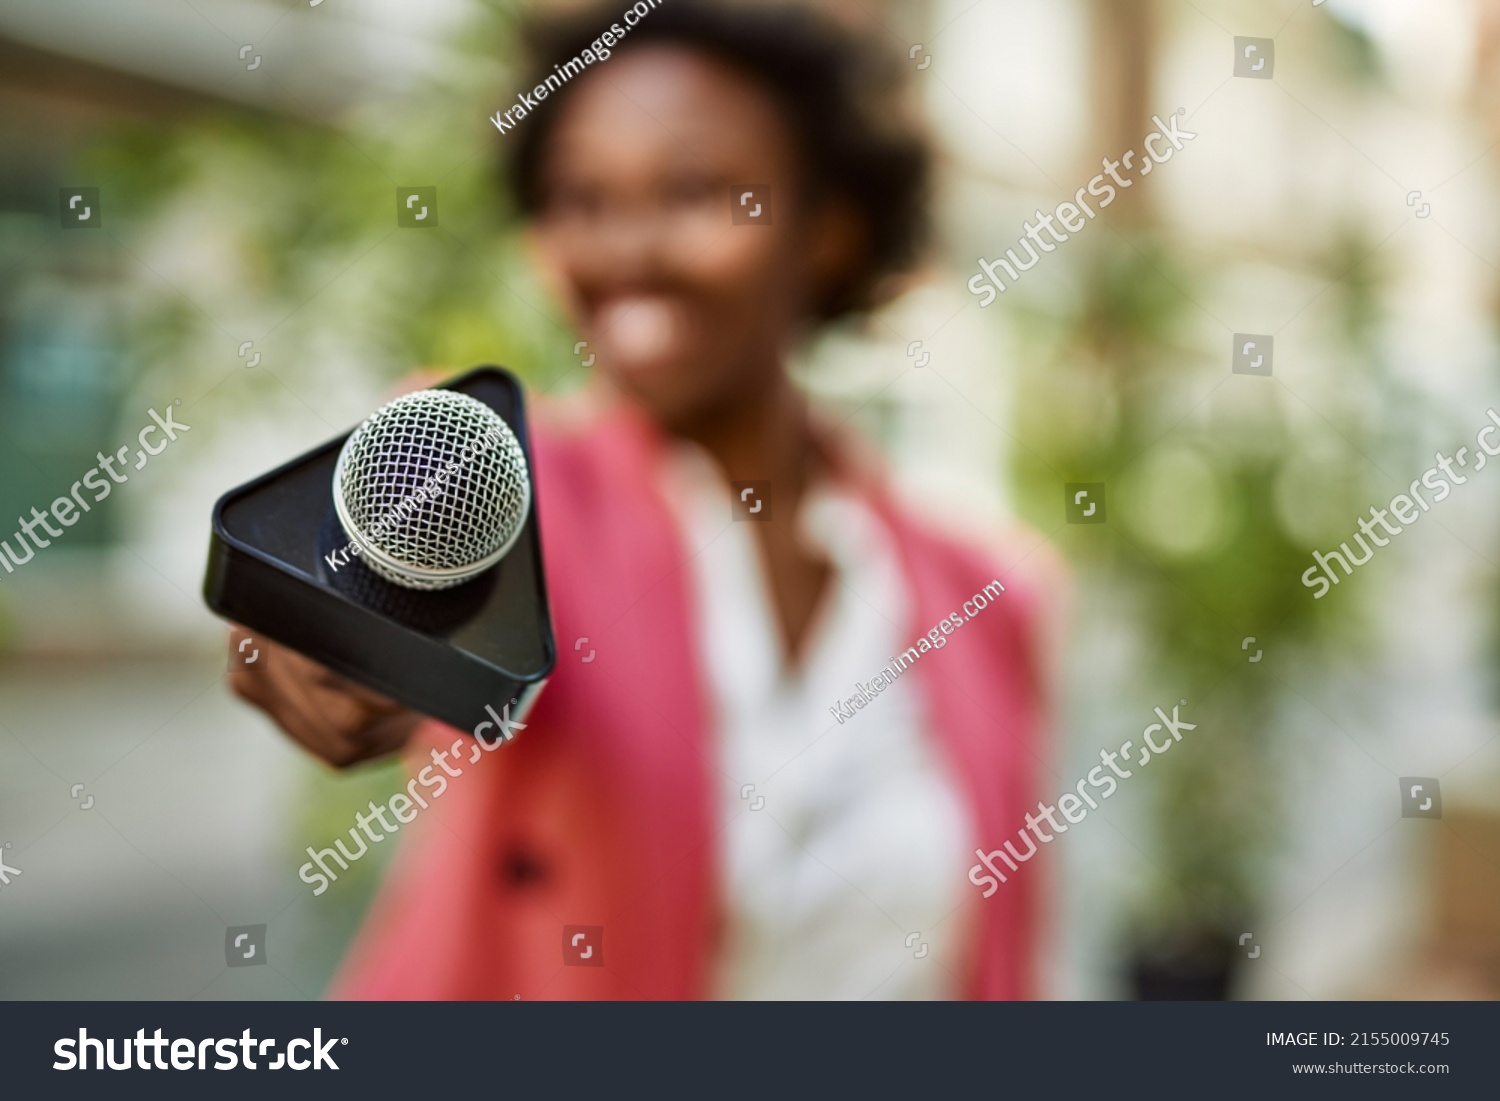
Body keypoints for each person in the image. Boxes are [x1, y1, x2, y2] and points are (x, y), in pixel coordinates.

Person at [230, 0, 1050, 1000]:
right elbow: (366, 573)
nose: (629, 253)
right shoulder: (507, 486)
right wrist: (336, 643)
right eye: (582, 200)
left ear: (828, 231)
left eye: (698, 192)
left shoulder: (987, 598)